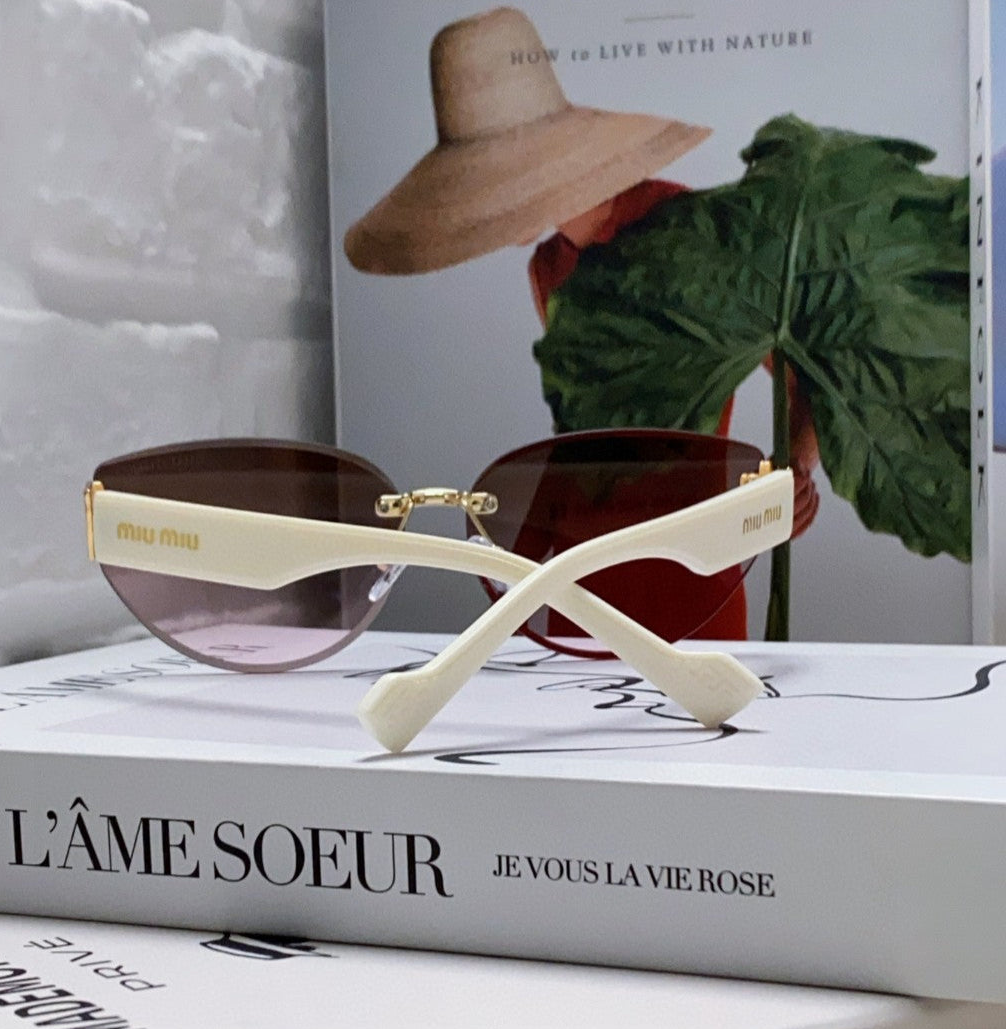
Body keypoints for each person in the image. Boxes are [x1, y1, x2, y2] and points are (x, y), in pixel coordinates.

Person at [345, 6, 818, 639]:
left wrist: (790, 477)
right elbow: (578, 435)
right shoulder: (549, 268)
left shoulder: (694, 236)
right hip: (582, 572)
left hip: (690, 564)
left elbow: (804, 365)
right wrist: (521, 568)